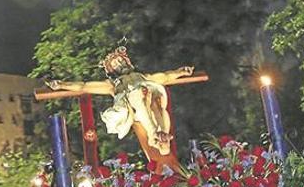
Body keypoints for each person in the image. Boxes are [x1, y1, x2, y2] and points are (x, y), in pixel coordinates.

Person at [47, 46, 194, 173]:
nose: (120, 64)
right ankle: (157, 136)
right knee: (138, 95)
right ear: (111, 70)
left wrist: (181, 71)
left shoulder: (143, 76)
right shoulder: (112, 84)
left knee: (153, 97)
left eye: (121, 61)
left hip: (150, 101)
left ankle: (161, 138)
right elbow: (84, 86)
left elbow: (166, 77)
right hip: (132, 107)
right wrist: (62, 84)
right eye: (116, 63)